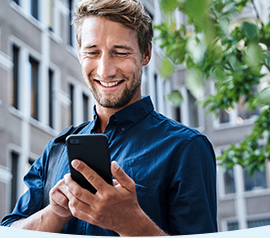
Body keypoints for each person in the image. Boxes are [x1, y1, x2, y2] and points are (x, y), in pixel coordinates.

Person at [1, 0, 217, 236]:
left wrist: (131, 223)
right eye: (92, 53)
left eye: (120, 53)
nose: (105, 70)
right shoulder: (56, 149)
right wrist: (55, 212)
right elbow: (8, 231)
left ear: (146, 54)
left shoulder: (186, 147)